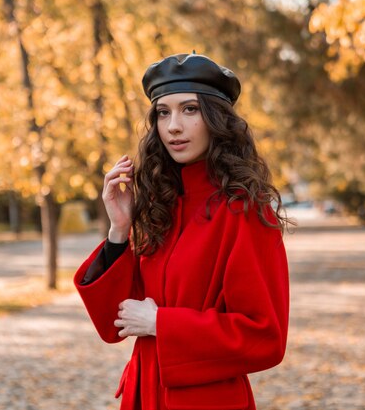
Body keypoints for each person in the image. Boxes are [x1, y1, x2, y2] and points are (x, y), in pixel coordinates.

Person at [74, 52, 290, 410]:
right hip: (145, 395)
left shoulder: (245, 210)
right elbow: (117, 324)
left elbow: (265, 336)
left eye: (190, 109)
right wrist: (119, 230)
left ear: (216, 119)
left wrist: (162, 323)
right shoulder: (161, 205)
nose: (174, 125)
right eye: (164, 112)